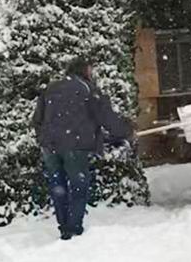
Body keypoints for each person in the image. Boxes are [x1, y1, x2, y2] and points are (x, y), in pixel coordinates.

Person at [32, 58, 134, 240]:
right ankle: (74, 227)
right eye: (90, 69)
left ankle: (63, 227)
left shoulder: (51, 88)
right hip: (75, 147)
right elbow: (107, 118)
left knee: (58, 186)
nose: (92, 72)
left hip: (50, 147)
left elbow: (36, 119)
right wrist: (126, 131)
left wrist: (43, 138)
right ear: (83, 70)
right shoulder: (88, 89)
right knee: (79, 185)